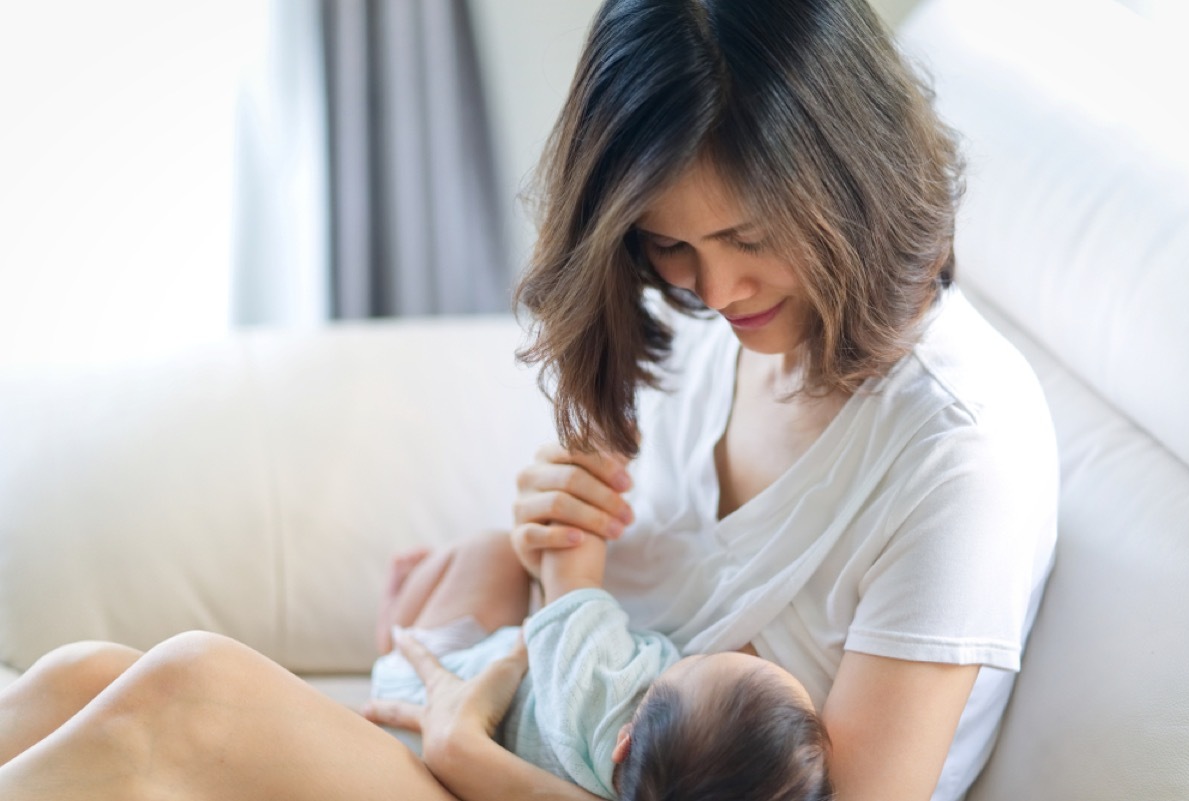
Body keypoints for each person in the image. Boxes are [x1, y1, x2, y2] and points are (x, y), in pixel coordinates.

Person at [0, 1, 1056, 800]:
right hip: (512, 740)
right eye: (670, 244)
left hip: (514, 774)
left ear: (849, 180)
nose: (715, 290)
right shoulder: (730, 338)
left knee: (183, 694)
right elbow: (636, 612)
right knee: (75, 677)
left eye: (749, 239)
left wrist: (469, 750)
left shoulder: (956, 459)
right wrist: (530, 554)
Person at [367, 531, 833, 801]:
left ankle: (393, 627)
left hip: (432, 677)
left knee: (495, 551)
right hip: (432, 729)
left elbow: (569, 574)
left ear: (623, 739)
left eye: (700, 662)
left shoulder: (603, 683)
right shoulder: (648, 785)